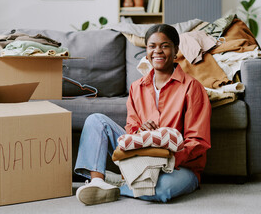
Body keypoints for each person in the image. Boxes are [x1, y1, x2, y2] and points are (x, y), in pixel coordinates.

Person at [74, 24, 211, 205]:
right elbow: (131, 127)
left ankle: (117, 185)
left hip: (176, 166)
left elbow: (198, 141)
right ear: (146, 51)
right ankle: (98, 181)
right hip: (140, 155)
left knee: (162, 190)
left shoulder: (192, 87)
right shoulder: (136, 87)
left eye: (165, 46)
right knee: (95, 120)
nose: (158, 51)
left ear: (176, 50)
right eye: (152, 46)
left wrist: (166, 157)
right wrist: (140, 132)